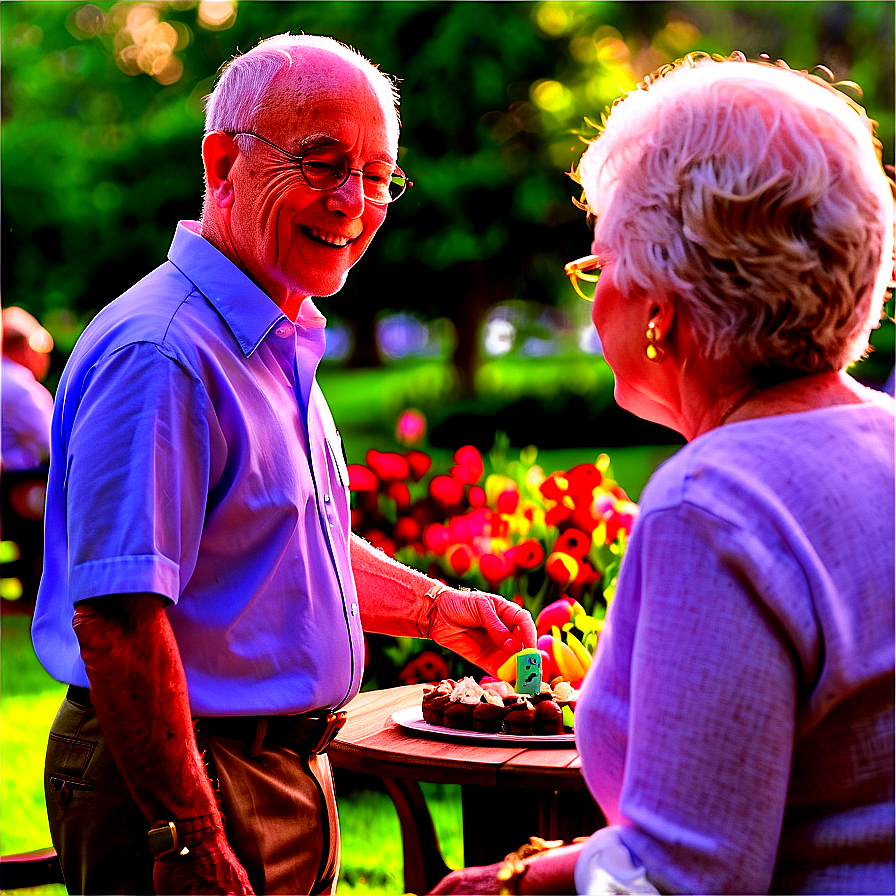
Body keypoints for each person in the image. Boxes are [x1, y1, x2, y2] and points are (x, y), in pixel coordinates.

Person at [31, 34, 535, 896]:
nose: (355, 202)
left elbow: (284, 543)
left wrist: (437, 610)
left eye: (379, 176)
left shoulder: (268, 331)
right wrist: (188, 835)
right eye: (323, 163)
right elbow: (117, 622)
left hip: (277, 768)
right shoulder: (165, 350)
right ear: (223, 164)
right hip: (189, 777)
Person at [431, 52, 894, 895]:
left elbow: (690, 874)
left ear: (659, 307)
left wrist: (504, 886)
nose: (593, 291)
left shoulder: (714, 504)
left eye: (597, 265)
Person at [1, 306, 55, 603]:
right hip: (18, 489)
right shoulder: (21, 385)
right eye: (41, 347)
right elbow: (52, 447)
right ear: (26, 347)